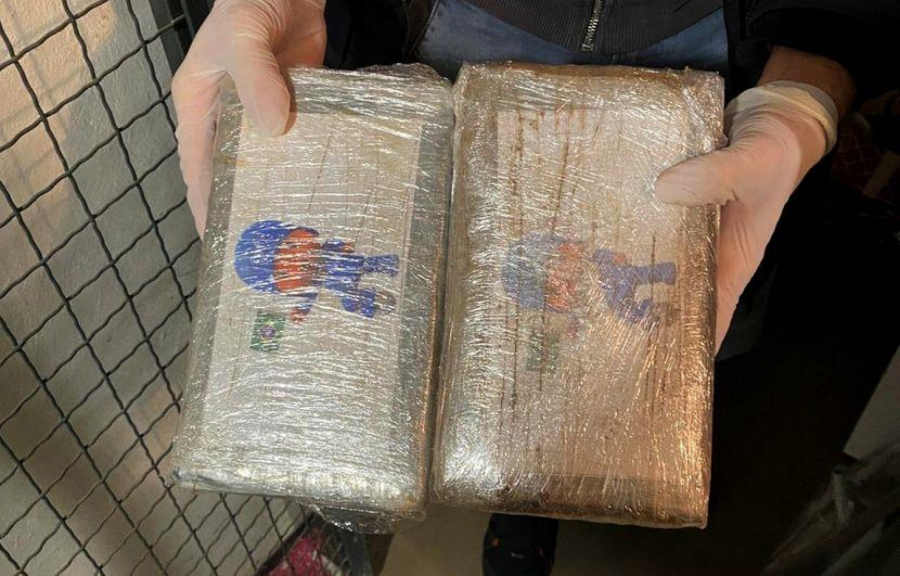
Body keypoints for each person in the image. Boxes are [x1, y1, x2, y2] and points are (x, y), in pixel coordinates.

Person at [171, 1, 898, 573]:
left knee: (601, 353)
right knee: (450, 325)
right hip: (453, 20)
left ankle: (535, 488)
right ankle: (513, 478)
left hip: (714, 34)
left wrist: (811, 75)